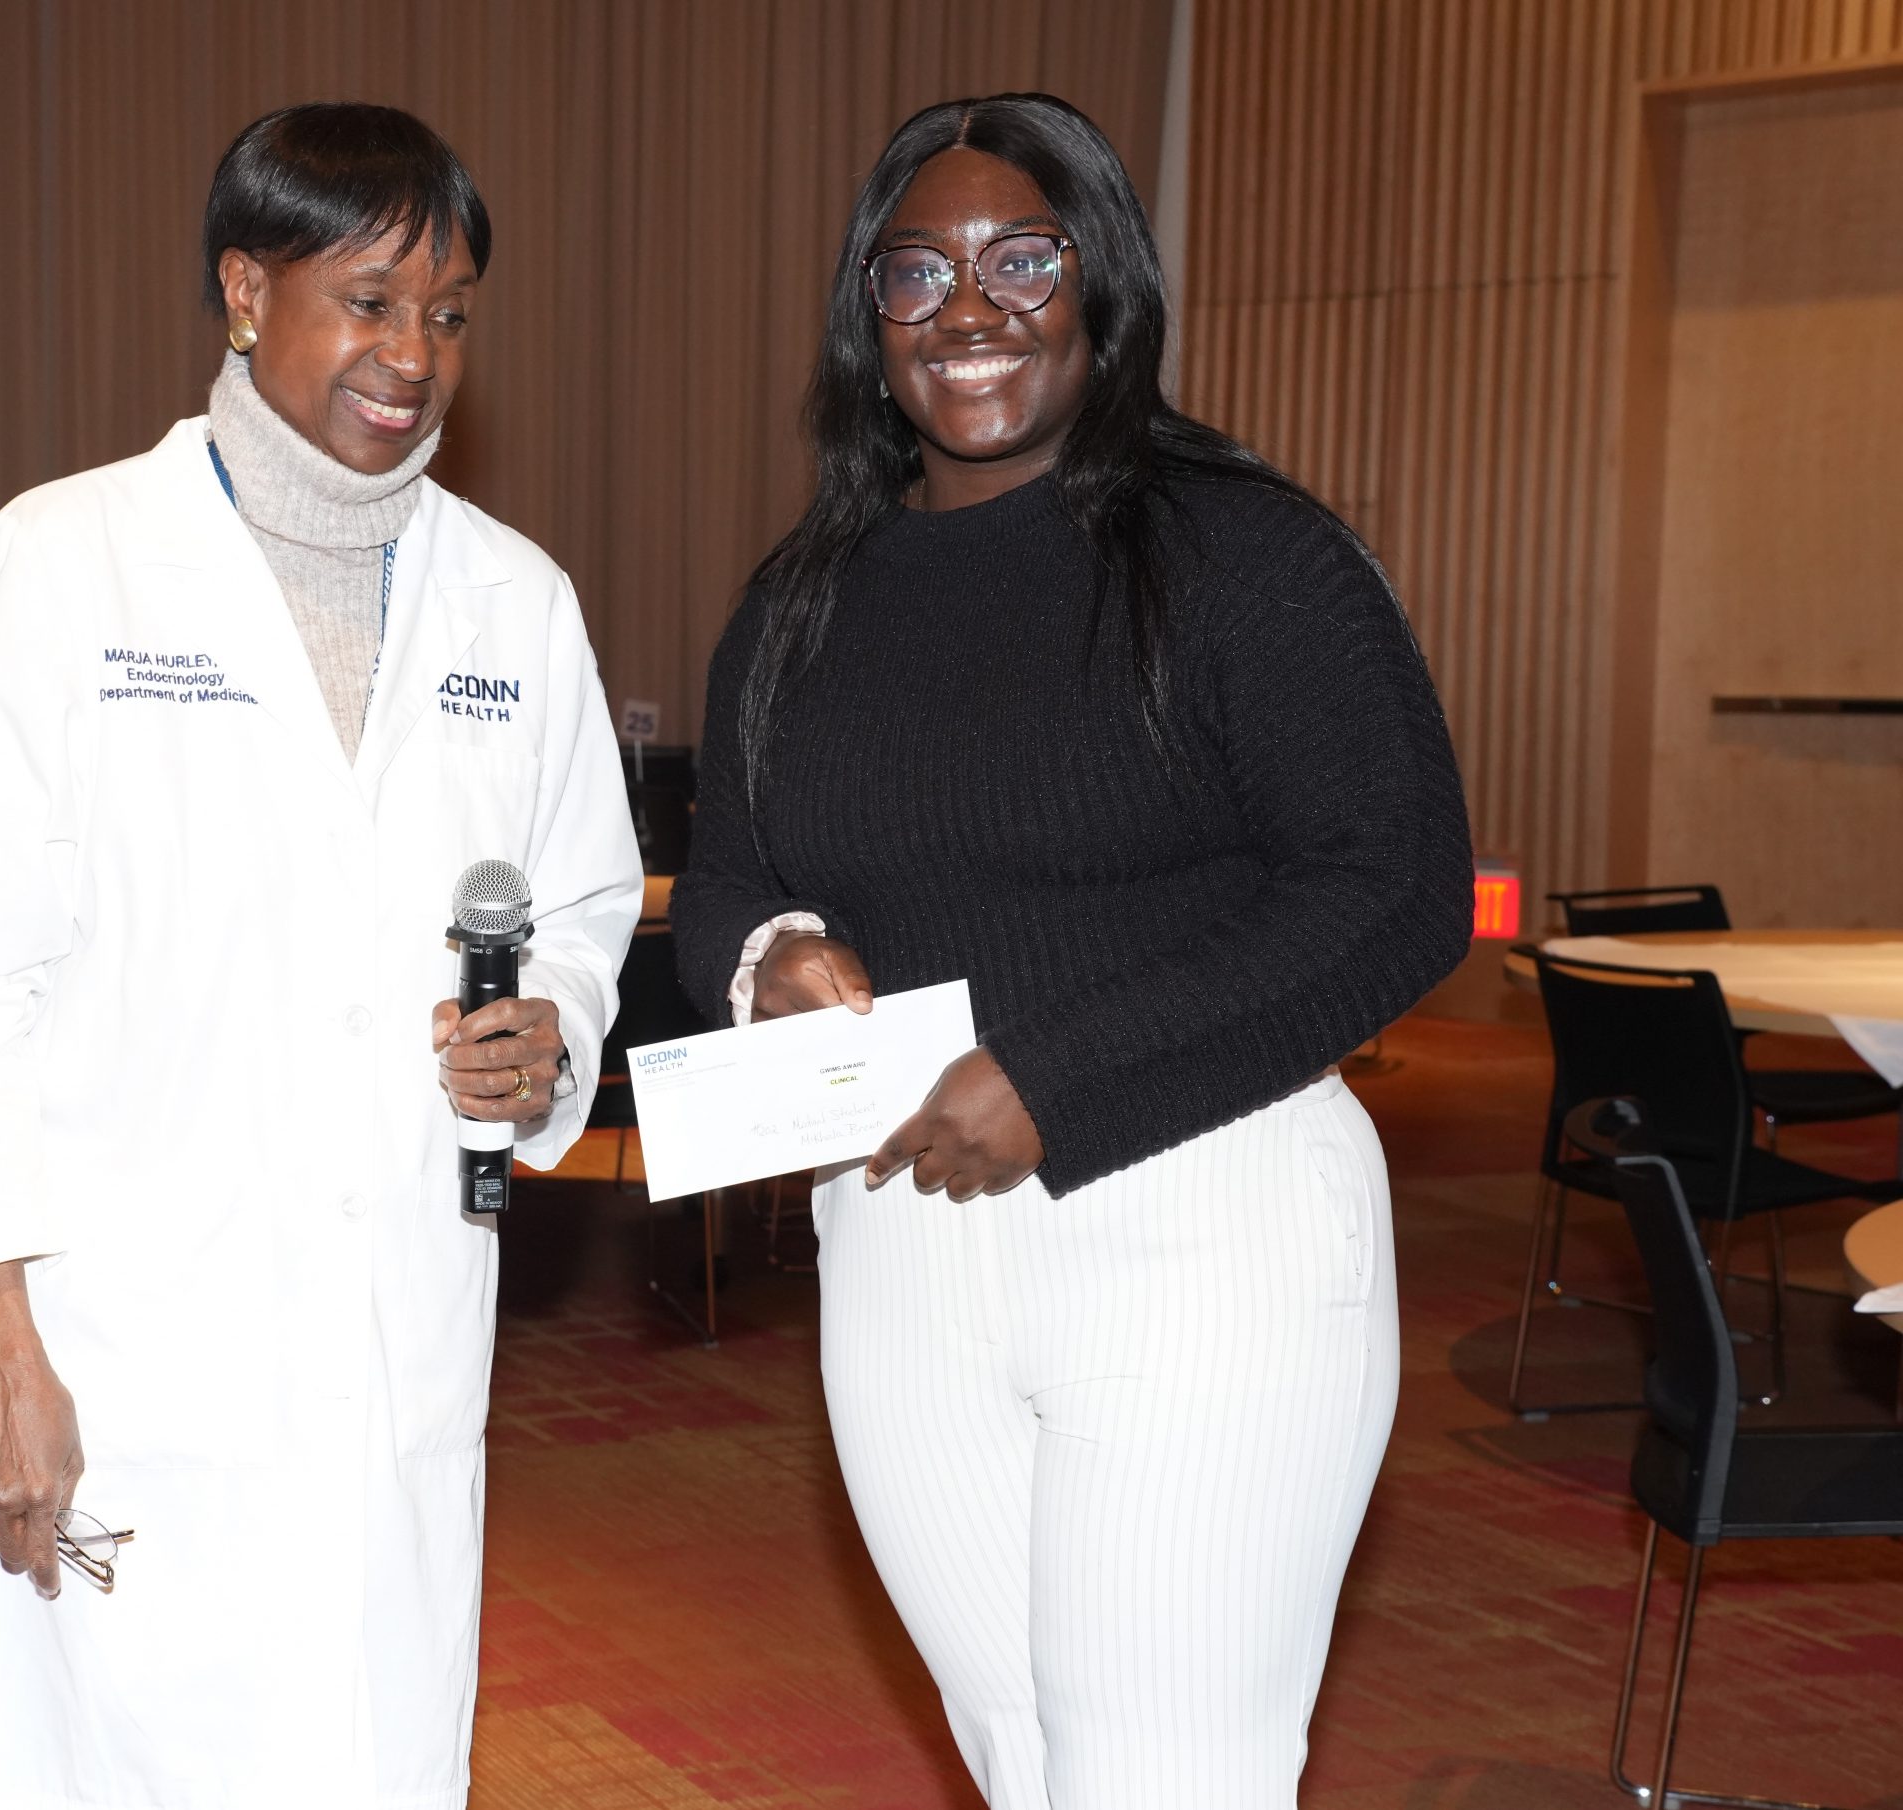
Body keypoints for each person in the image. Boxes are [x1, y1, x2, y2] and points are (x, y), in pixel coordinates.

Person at [671, 94, 1471, 1808]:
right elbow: (724, 882)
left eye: (1022, 257)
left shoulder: (1241, 554)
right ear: (865, 316)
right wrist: (773, 958)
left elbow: (1393, 885)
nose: (970, 308)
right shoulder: (806, 596)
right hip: (901, 1254)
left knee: (1163, 1774)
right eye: (918, 270)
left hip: (1205, 1225)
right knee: (1023, 1762)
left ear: (1101, 278)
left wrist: (1061, 1078)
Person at [0, 103, 640, 1810]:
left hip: (394, 1364)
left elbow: (584, 918)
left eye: (447, 313)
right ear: (242, 289)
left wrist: (548, 1048)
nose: (412, 355)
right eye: (368, 299)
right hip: (121, 1357)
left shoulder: (517, 603)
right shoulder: (68, 564)